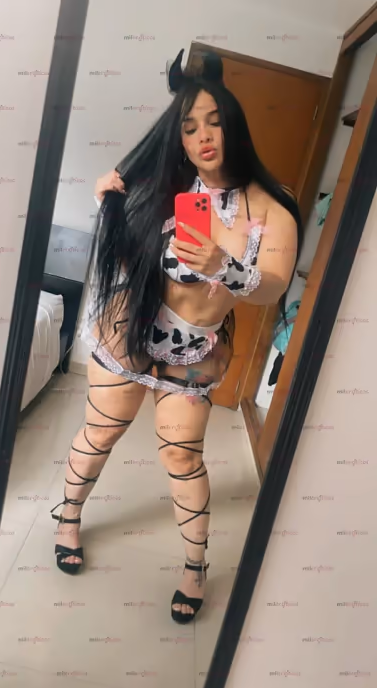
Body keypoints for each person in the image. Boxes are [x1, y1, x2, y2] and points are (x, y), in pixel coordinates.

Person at [50, 48, 302, 625]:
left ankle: (195, 567)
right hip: (131, 329)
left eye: (214, 121)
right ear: (179, 137)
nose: (203, 136)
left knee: (183, 454)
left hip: (194, 348)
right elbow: (126, 244)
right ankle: (67, 516)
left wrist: (224, 266)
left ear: (235, 126)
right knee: (100, 432)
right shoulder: (166, 185)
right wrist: (108, 200)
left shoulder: (273, 207)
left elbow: (271, 287)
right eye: (189, 127)